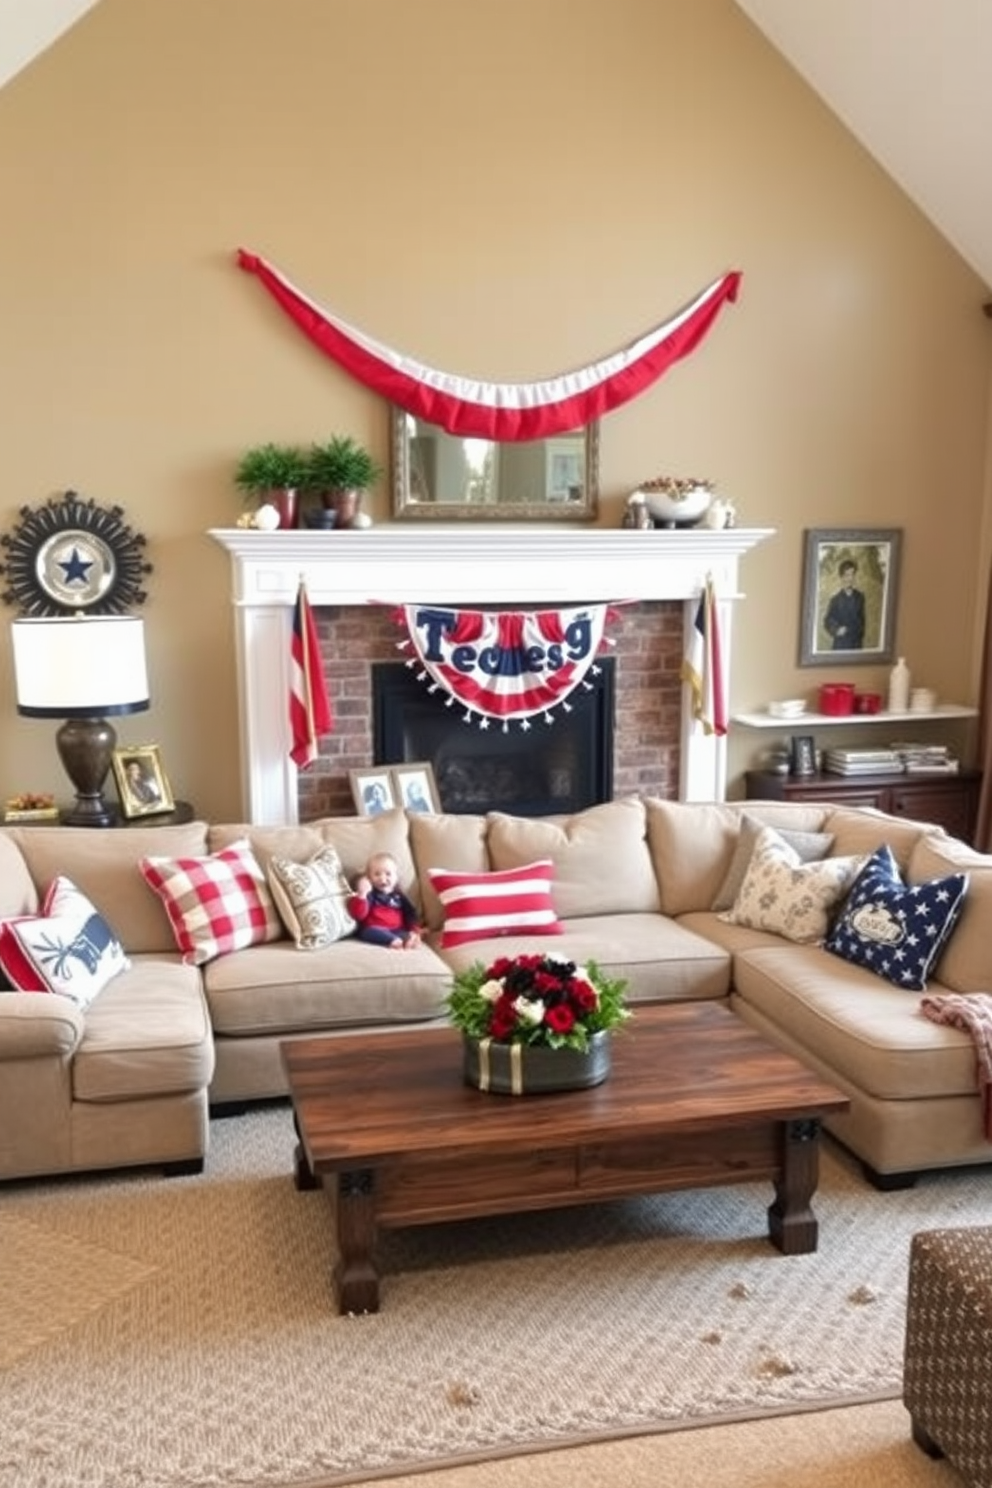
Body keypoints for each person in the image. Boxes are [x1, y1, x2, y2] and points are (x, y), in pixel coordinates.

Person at [347, 851, 421, 949]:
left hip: (397, 930)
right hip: (374, 928)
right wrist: (362, 894)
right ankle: (393, 940)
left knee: (409, 935)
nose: (382, 878)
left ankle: (408, 939)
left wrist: (413, 929)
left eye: (388, 874)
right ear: (369, 878)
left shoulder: (398, 895)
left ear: (396, 877)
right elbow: (359, 915)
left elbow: (410, 913)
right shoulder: (370, 893)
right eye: (377, 874)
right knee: (368, 932)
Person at [822, 559, 866, 650]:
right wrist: (837, 629)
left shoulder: (860, 597)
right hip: (841, 645)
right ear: (842, 577)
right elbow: (828, 620)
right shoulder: (835, 600)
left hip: (856, 645)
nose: (850, 578)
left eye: (852, 574)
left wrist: (856, 631)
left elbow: (862, 622)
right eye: (847, 575)